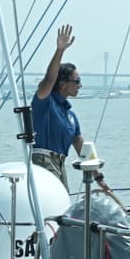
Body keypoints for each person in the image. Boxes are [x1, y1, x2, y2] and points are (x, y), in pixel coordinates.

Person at [29, 23, 86, 187]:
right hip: (44, 160)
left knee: (62, 205)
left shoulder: (70, 115)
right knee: (53, 206)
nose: (80, 85)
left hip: (60, 163)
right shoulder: (45, 102)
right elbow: (48, 80)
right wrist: (60, 50)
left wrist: (98, 177)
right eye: (77, 81)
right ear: (62, 83)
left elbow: (81, 146)